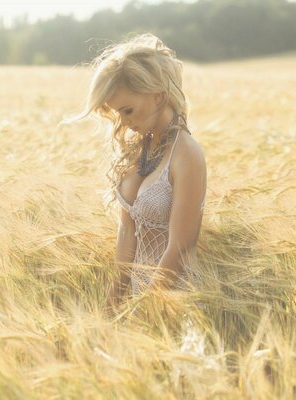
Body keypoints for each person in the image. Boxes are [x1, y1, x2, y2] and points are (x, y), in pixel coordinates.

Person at [61, 33, 207, 315]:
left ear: (158, 96)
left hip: (175, 304)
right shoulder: (137, 153)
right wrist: (112, 307)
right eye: (118, 114)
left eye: (128, 110)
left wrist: (146, 310)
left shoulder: (186, 153)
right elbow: (127, 233)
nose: (124, 122)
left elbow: (180, 246)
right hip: (139, 305)